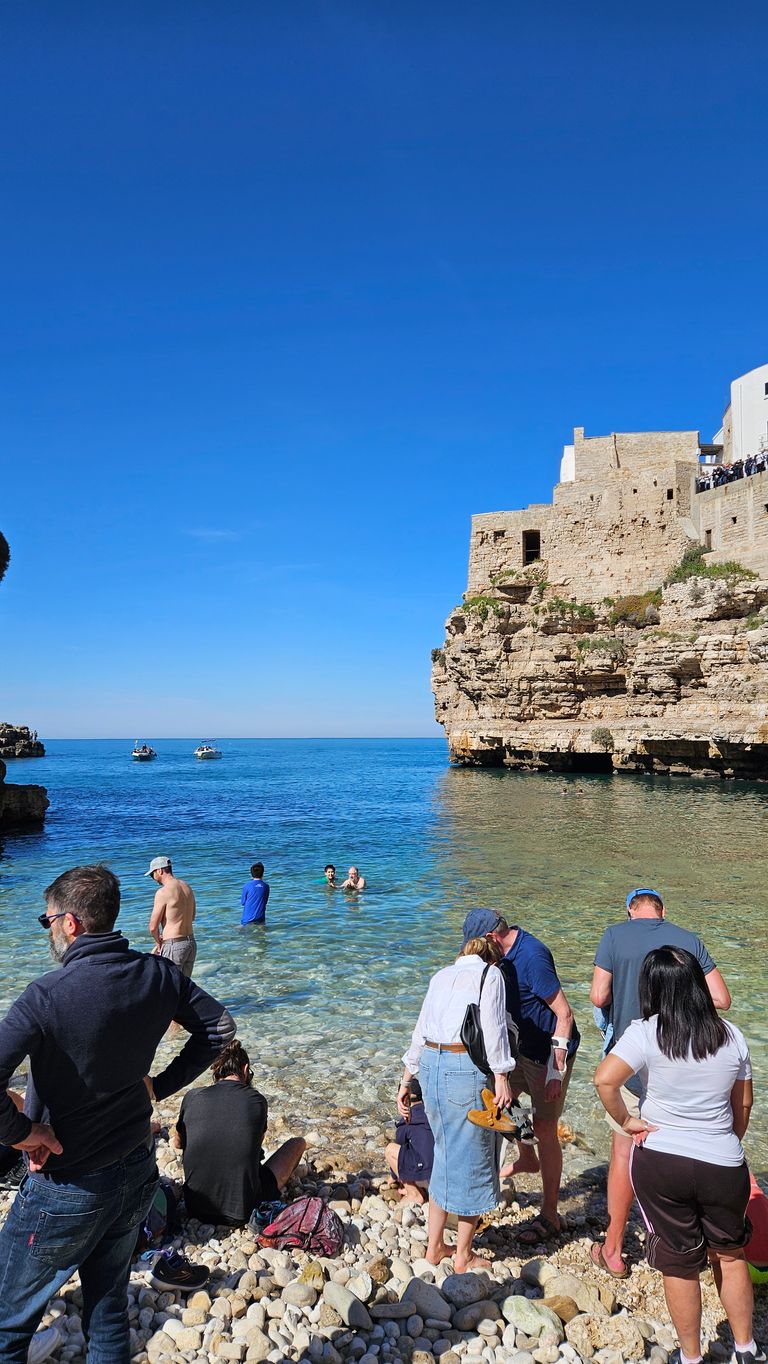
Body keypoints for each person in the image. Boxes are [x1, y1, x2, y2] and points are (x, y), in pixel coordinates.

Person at [0, 863, 236, 1362]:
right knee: (107, 1309)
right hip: (134, 1169)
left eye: (47, 922)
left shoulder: (45, 996)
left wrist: (23, 1134)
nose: (47, 932)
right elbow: (219, 1028)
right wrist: (158, 1086)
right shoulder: (158, 975)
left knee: (6, 1322)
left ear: (70, 924)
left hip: (69, 1181)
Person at [594, 947, 760, 1364]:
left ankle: (690, 1357)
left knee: (679, 1263)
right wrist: (727, 1140)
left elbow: (604, 1081)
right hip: (722, 1160)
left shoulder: (644, 1031)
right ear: (699, 988)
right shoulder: (731, 1035)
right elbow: (744, 1105)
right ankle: (746, 1348)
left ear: (652, 988)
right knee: (731, 1253)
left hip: (662, 1160)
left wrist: (629, 1124)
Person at [590, 888, 731, 1277]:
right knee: (689, 1147)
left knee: (623, 1153)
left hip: (633, 1060)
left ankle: (614, 1250)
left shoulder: (614, 934)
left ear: (630, 911)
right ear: (663, 911)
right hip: (686, 1056)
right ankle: (698, 1244)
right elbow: (722, 1000)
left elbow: (598, 994)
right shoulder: (689, 939)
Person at [399, 915, 515, 1272]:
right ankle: (463, 1254)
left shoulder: (440, 976)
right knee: (475, 1157)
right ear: (491, 953)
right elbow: (493, 1028)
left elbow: (421, 1029)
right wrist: (502, 1075)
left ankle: (434, 1248)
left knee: (445, 1151)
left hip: (432, 1066)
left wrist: (406, 1080)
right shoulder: (490, 975)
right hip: (463, 1068)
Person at [475, 908, 579, 1243]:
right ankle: (527, 1158)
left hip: (548, 1053)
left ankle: (549, 1213)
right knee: (493, 1097)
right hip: (518, 1048)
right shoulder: (497, 956)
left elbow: (564, 1014)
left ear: (491, 937)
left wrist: (555, 1071)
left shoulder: (532, 956)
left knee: (546, 1127)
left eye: (476, 945)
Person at [172, 1040, 305, 1226]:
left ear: (216, 1072)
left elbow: (178, 1144)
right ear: (245, 1069)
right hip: (243, 1210)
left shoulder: (191, 1097)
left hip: (195, 1208)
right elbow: (250, 1147)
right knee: (298, 1143)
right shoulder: (257, 1101)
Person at [385, 1077, 434, 1205]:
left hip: (424, 1172)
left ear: (404, 1100)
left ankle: (414, 1193)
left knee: (390, 1149)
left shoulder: (407, 1121)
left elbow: (400, 1152)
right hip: (439, 1171)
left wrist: (393, 1177)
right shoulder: (432, 1114)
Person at [145, 855, 197, 976]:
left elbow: (153, 927)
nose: (153, 879)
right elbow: (192, 916)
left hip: (174, 945)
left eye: (152, 875)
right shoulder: (187, 887)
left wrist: (158, 942)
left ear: (159, 870)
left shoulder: (163, 892)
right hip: (191, 943)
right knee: (185, 988)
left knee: (170, 988)